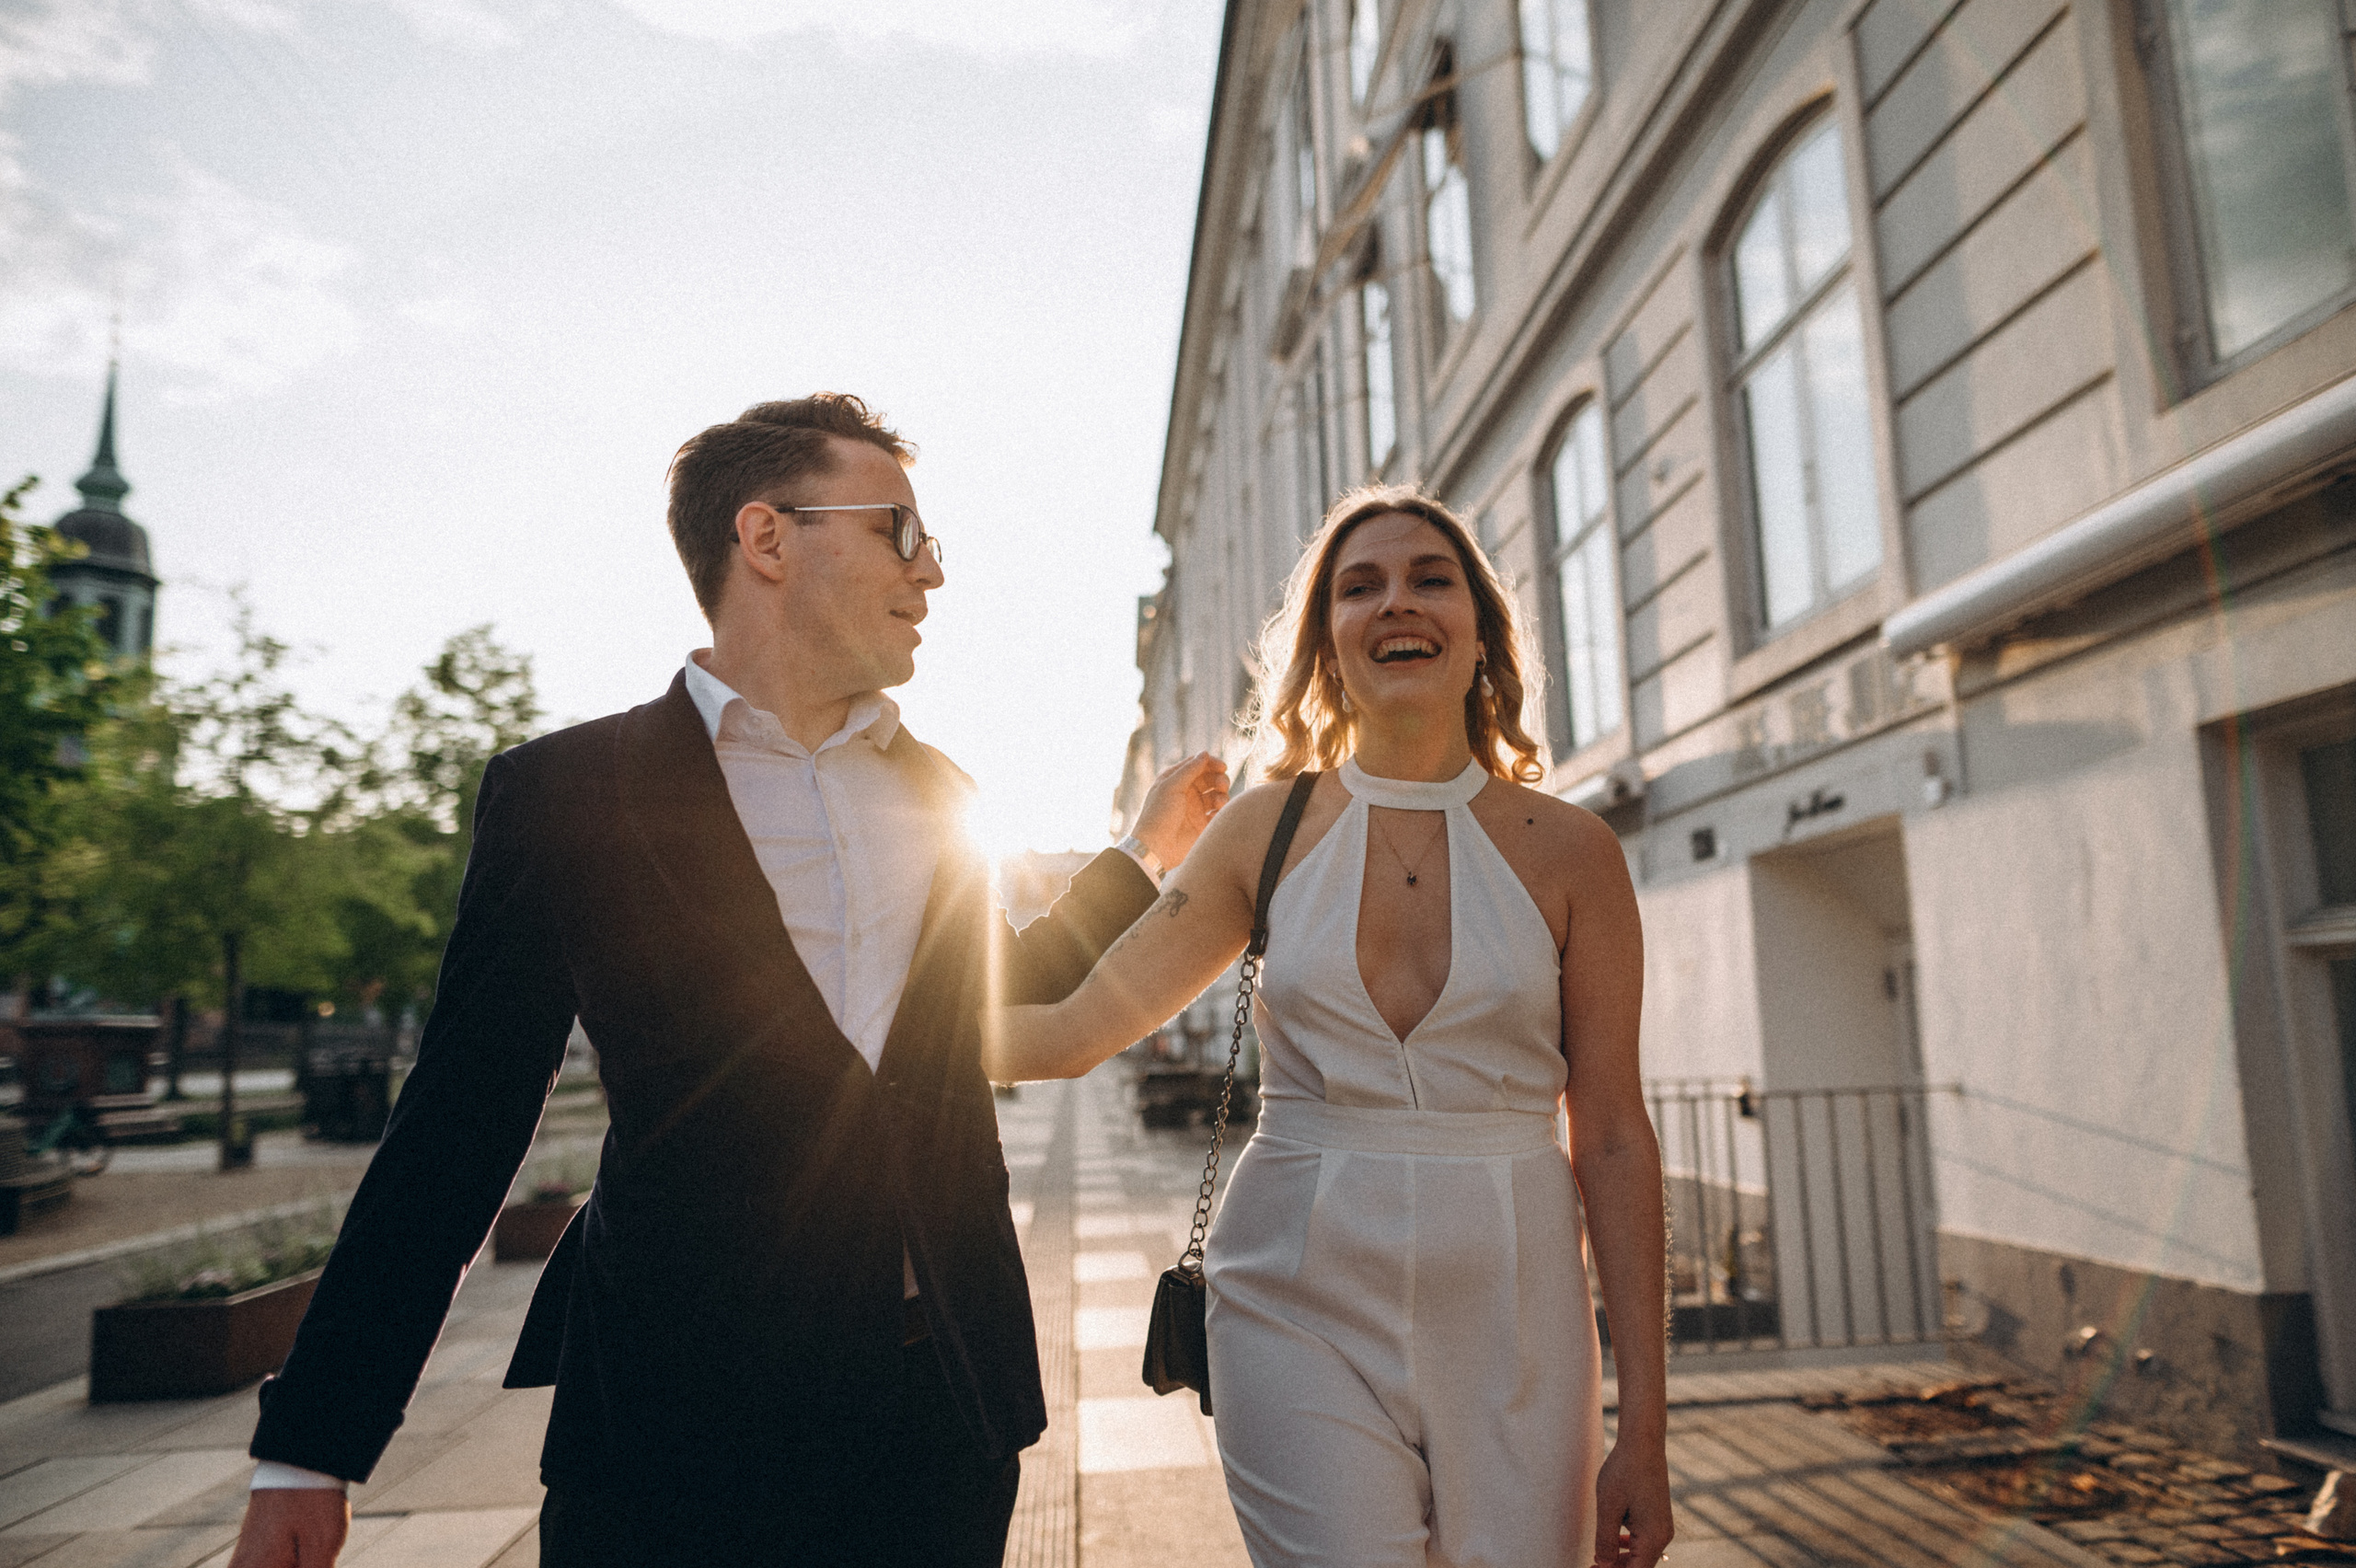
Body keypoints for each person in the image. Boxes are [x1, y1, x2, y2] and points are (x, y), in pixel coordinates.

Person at [225, 393, 1230, 1568]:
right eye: (899, 532)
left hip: (938, 1415)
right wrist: (314, 1443)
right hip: (669, 1432)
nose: (933, 573)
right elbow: (459, 1123)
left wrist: (1142, 855)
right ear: (766, 540)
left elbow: (1003, 994)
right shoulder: (569, 794)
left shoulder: (942, 792)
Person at [984, 486, 1674, 1568]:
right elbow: (1073, 1028)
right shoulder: (1267, 828)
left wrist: (1646, 1427)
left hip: (1517, 1306)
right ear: (1324, 642)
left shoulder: (1570, 848)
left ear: (1482, 631)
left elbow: (1617, 1133)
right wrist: (844, 1034)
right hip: (1291, 1295)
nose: (1396, 603)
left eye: (1428, 579)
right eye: (1360, 587)